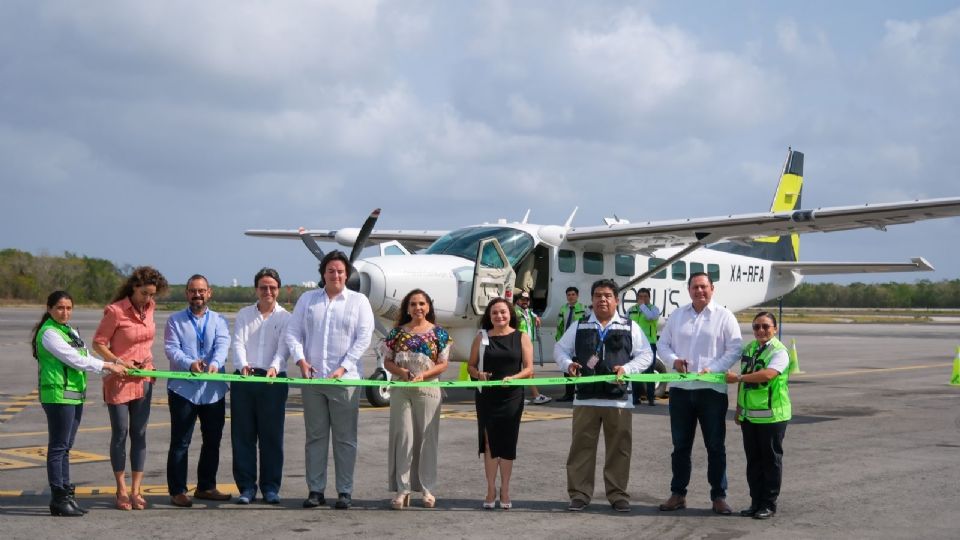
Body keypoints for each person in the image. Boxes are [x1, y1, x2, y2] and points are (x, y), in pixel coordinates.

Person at [554, 279, 653, 513]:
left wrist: (628, 369)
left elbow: (646, 355)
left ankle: (618, 494)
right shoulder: (579, 325)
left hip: (618, 399)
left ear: (616, 300)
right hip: (585, 399)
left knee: (619, 449)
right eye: (598, 295)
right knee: (581, 449)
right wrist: (568, 364)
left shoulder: (629, 326)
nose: (602, 299)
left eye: (608, 295)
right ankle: (579, 494)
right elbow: (560, 348)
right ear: (592, 299)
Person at [286, 251, 374, 510]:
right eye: (330, 271)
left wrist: (343, 368)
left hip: (345, 381)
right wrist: (301, 360)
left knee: (345, 438)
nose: (335, 275)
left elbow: (363, 338)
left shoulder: (359, 302)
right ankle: (316, 490)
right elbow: (293, 333)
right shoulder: (307, 300)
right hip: (313, 381)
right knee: (315, 437)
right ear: (323, 273)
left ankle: (345, 491)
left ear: (347, 274)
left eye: (340, 271)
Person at [32, 291, 127, 516]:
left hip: (73, 395)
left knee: (66, 447)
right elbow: (75, 359)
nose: (65, 312)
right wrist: (108, 365)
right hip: (57, 396)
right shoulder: (49, 333)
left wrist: (111, 365)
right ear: (49, 308)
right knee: (58, 447)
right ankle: (58, 497)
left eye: (68, 308)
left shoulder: (70, 331)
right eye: (59, 308)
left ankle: (66, 494)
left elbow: (83, 355)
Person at [657, 272, 742, 515]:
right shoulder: (678, 315)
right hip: (681, 392)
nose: (699, 291)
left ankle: (718, 496)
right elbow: (663, 344)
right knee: (680, 446)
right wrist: (673, 361)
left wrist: (712, 369)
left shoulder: (724, 317)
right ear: (689, 290)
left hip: (711, 391)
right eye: (695, 287)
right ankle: (678, 494)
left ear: (712, 289)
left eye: (704, 287)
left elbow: (735, 348)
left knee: (715, 446)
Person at [92, 266, 168, 511]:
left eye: (152, 294)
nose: (148, 299)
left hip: (144, 378)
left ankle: (136, 489)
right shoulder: (115, 311)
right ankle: (121, 488)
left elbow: (146, 341)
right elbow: (98, 343)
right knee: (121, 432)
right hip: (119, 379)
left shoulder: (151, 308)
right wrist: (116, 361)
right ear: (134, 288)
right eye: (145, 293)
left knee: (140, 433)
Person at [163, 274, 232, 507]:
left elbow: (223, 344)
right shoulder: (174, 320)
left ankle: (206, 486)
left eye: (201, 290)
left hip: (213, 390)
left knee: (212, 440)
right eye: (193, 291)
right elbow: (172, 349)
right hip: (184, 390)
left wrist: (215, 364)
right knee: (181, 441)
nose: (197, 295)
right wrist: (190, 364)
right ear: (187, 294)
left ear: (209, 292)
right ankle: (177, 490)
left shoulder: (220, 320)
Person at [382, 289, 451, 509]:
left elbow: (443, 363)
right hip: (402, 388)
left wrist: (424, 375)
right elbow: (388, 362)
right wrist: (402, 373)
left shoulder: (439, 334)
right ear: (407, 308)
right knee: (403, 437)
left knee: (427, 438)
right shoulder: (396, 333)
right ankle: (403, 490)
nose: (417, 308)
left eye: (421, 303)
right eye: (413, 304)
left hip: (428, 388)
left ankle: (427, 488)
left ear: (428, 306)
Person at [230, 268, 292, 505]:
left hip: (273, 382)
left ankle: (270, 488)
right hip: (245, 380)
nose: (268, 291)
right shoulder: (245, 314)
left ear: (278, 290)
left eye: (272, 287)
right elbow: (238, 342)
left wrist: (275, 367)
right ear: (256, 289)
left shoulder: (285, 317)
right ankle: (246, 488)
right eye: (263, 287)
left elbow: (283, 348)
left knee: (271, 438)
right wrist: (242, 365)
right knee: (243, 436)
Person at [467, 297, 534, 510]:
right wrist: (479, 374)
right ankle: (490, 488)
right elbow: (470, 366)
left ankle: (505, 488)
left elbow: (529, 369)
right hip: (487, 396)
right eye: (494, 313)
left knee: (506, 443)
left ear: (510, 314)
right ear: (489, 316)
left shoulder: (521, 337)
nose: (499, 316)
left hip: (512, 396)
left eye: (503, 312)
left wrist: (514, 378)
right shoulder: (482, 337)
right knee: (488, 444)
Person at [724, 312, 791, 520]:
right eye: (756, 327)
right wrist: (738, 409)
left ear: (775, 329)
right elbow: (744, 384)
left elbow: (768, 374)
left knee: (770, 461)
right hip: (750, 417)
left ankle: (769, 503)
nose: (761, 331)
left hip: (772, 417)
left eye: (765, 326)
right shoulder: (751, 348)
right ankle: (755, 502)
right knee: (753, 462)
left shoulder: (779, 351)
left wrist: (739, 377)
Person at [515, 291, 551, 405]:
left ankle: (523, 396)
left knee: (525, 370)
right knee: (526, 370)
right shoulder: (514, 312)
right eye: (522, 299)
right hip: (518, 343)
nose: (525, 301)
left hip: (527, 343)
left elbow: (532, 314)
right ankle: (535, 395)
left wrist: (536, 317)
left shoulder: (527, 312)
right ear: (517, 301)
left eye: (527, 300)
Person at [628, 288, 660, 406]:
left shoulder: (653, 309)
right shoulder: (631, 310)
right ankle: (636, 397)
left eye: (645, 296)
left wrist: (642, 306)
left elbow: (650, 317)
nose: (642, 298)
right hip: (634, 344)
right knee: (635, 369)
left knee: (649, 371)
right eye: (640, 296)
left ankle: (651, 397)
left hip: (649, 343)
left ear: (649, 297)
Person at [555, 287, 586, 402]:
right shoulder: (563, 309)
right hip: (566, 342)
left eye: (573, 294)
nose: (571, 296)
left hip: (579, 343)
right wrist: (559, 340)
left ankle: (582, 392)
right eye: (569, 295)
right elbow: (559, 326)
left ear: (577, 296)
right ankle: (568, 394)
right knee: (567, 368)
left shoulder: (584, 308)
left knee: (581, 367)